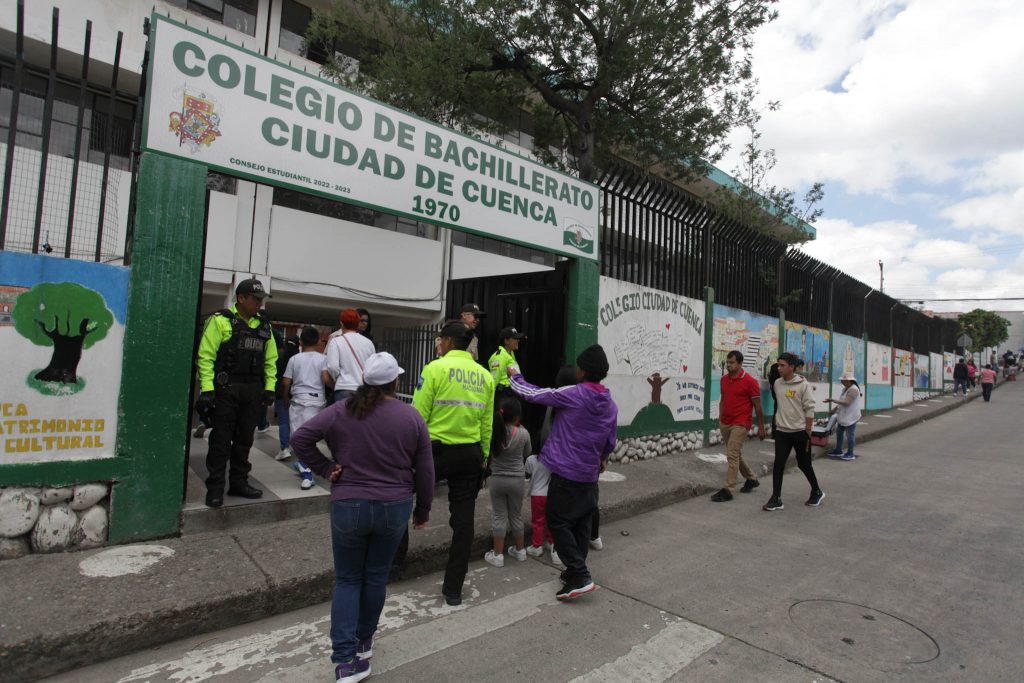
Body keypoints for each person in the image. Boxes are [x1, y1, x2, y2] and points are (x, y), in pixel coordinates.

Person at [292, 352, 433, 683]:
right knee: (375, 577)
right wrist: (423, 509)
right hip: (394, 506)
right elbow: (425, 471)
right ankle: (363, 643)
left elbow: (300, 438)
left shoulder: (342, 410)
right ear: (395, 382)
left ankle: (344, 660)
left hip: (348, 504)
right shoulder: (411, 417)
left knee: (348, 579)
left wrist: (326, 469)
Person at [508, 344, 618, 601]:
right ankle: (573, 575)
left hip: (567, 472)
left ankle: (580, 575)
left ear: (582, 371)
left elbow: (534, 394)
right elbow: (610, 441)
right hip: (589, 475)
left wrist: (514, 376)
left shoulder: (573, 394)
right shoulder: (610, 404)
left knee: (557, 521)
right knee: (580, 523)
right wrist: (602, 458)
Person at [413, 320, 495, 606]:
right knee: (464, 523)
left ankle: (394, 561)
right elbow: (487, 422)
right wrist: (483, 456)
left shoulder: (434, 369)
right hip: (470, 454)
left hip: (435, 454)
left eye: (440, 339)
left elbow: (418, 416)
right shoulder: (484, 376)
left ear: (448, 341)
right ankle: (453, 589)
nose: (438, 343)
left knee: (400, 497)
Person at [196, 278, 278, 508]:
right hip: (226, 389)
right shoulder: (221, 321)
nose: (260, 304)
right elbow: (206, 356)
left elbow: (270, 360)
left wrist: (270, 387)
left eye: (262, 299)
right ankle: (215, 488)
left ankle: (239, 483)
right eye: (255, 299)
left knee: (244, 440)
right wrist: (208, 389)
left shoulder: (264, 326)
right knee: (221, 440)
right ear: (241, 298)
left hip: (252, 390)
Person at [762, 352, 823, 512]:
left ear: (792, 367)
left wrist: (808, 429)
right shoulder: (777, 384)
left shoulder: (803, 385)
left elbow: (810, 408)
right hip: (782, 432)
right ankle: (776, 498)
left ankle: (817, 491)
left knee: (804, 464)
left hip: (800, 432)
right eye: (778, 365)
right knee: (778, 464)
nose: (779, 368)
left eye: (782, 365)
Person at [483, 397, 532, 568]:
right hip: (517, 479)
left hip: (497, 480)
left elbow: (487, 452)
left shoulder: (493, 432)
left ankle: (497, 555)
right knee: (516, 515)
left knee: (499, 516)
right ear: (517, 417)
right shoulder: (523, 433)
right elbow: (528, 452)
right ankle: (520, 551)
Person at [711, 350, 764, 502]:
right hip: (725, 422)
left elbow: (758, 406)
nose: (728, 365)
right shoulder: (723, 379)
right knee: (735, 454)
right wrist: (721, 418)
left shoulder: (750, 382)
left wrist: (760, 427)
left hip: (741, 423)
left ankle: (728, 489)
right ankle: (752, 478)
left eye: (732, 362)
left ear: (740, 364)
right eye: (727, 362)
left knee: (732, 455)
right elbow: (723, 399)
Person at [282, 326, 328, 490]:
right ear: (317, 341)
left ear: (300, 342)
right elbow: (326, 378)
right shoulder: (323, 359)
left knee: (298, 438)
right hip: (317, 403)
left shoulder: (294, 359)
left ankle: (307, 474)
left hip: (298, 401)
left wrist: (285, 398)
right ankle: (303, 465)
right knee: (311, 438)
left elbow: (286, 382)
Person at [325, 309, 376, 403]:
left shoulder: (336, 341)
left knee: (344, 417)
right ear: (357, 323)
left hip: (343, 388)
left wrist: (338, 378)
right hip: (363, 390)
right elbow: (372, 367)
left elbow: (333, 367)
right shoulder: (368, 343)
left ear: (341, 323)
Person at [524, 452, 561, 566]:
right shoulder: (555, 457)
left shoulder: (531, 459)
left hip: (537, 494)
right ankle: (551, 542)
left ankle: (537, 546)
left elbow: (527, 475)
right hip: (551, 493)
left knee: (538, 521)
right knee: (552, 520)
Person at [273, 334, 301, 460]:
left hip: (281, 391)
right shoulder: (298, 358)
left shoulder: (279, 355)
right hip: (297, 392)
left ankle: (284, 448)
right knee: (296, 421)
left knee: (284, 421)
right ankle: (298, 445)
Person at [826, 372, 861, 461]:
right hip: (843, 415)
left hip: (851, 416)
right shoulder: (846, 389)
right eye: (842, 380)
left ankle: (850, 453)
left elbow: (847, 402)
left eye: (843, 380)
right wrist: (834, 410)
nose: (842, 382)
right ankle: (838, 450)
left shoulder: (854, 389)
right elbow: (842, 402)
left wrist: (833, 400)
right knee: (839, 433)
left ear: (850, 381)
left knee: (850, 435)